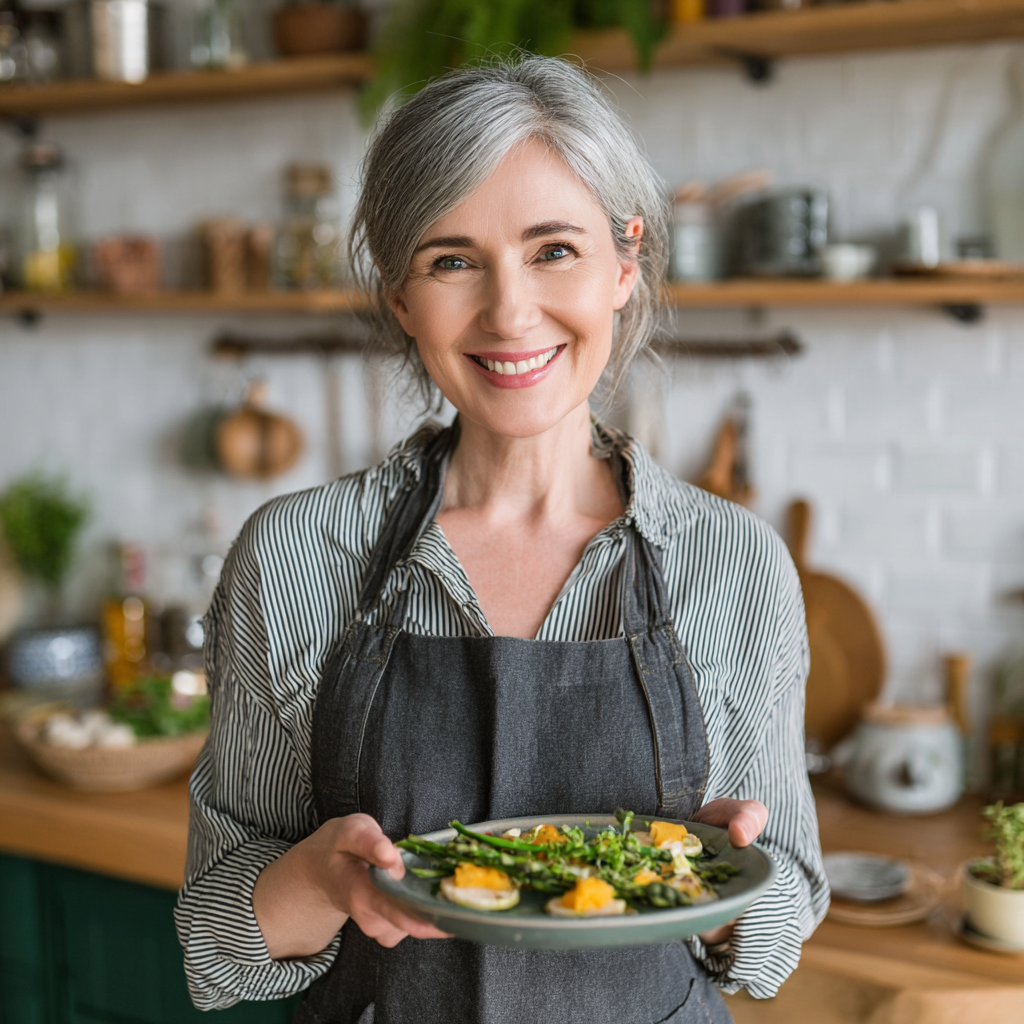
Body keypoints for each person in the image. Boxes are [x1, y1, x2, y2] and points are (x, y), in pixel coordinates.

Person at [175, 55, 828, 1024]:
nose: (509, 312)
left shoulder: (733, 562)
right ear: (400, 296)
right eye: (451, 260)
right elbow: (217, 943)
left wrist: (728, 879)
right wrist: (318, 880)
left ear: (624, 263)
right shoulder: (293, 556)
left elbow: (781, 921)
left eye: (552, 249)